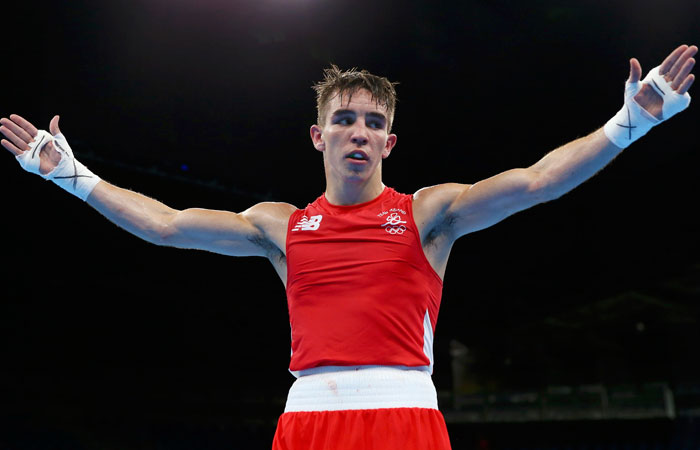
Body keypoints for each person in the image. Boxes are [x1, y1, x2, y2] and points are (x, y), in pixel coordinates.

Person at [1, 44, 696, 449]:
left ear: (389, 142)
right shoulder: (280, 226)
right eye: (344, 119)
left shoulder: (429, 213)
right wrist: (69, 173)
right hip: (308, 420)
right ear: (319, 136)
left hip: (404, 418)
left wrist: (628, 124)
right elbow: (164, 222)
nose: (358, 131)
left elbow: (539, 181)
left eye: (372, 122)